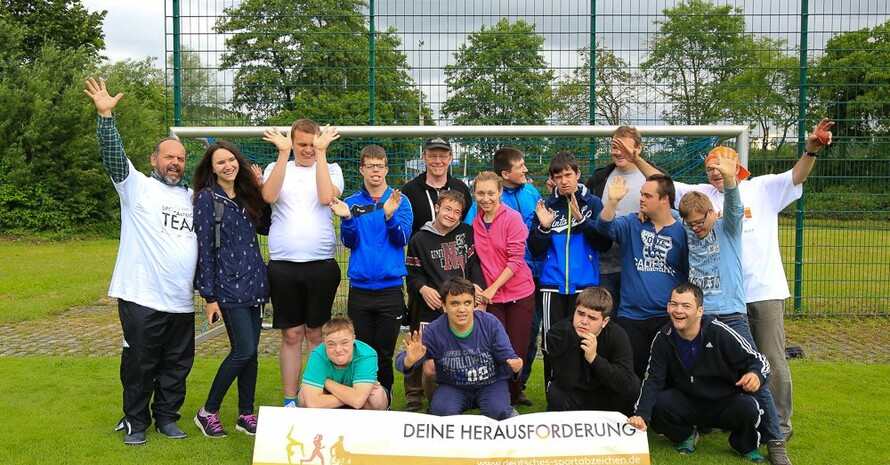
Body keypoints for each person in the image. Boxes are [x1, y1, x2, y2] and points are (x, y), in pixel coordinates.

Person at [624, 118, 835, 442]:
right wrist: (636, 157)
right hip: (717, 299)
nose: (714, 172)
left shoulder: (760, 188)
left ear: (737, 167)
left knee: (768, 358)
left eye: (720, 165)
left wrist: (811, 150)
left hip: (761, 289)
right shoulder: (701, 196)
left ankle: (778, 426)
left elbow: (797, 175)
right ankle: (717, 417)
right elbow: (663, 184)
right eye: (709, 167)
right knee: (714, 357)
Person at [85, 77, 197, 445]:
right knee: (141, 364)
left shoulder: (193, 198)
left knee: (177, 365)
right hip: (142, 297)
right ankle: (135, 421)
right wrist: (106, 117)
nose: (175, 163)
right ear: (154, 160)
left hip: (181, 301)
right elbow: (113, 155)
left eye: (180, 159)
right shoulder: (137, 187)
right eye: (169, 157)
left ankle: (167, 417)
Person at [678, 148, 792, 465]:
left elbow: (733, 202)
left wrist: (729, 176)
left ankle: (776, 440)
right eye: (692, 224)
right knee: (693, 372)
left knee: (756, 373)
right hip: (701, 318)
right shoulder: (688, 230)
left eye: (702, 221)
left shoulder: (728, 228)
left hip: (731, 314)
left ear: (714, 214)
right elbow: (666, 206)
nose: (697, 227)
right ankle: (698, 426)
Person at [627, 283, 770, 463]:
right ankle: (686, 435)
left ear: (700, 311)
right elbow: (653, 380)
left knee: (749, 407)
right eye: (674, 304)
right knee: (659, 404)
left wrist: (756, 374)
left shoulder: (719, 332)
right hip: (688, 401)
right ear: (668, 307)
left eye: (686, 306)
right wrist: (641, 414)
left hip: (724, 401)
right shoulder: (663, 337)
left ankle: (746, 446)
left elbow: (758, 360)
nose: (678, 310)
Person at [261, 121, 343, 408]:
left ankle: (314, 397)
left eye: (313, 144)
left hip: (321, 265)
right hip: (284, 266)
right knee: (292, 334)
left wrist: (322, 154)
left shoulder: (331, 168)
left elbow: (325, 197)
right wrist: (283, 154)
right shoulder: (276, 166)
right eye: (302, 145)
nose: (308, 150)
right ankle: (289, 400)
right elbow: (269, 196)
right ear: (292, 143)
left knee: (315, 334)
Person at [191, 141, 269, 438]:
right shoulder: (206, 199)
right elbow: (205, 249)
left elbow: (266, 227)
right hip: (228, 287)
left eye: (232, 160)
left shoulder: (248, 195)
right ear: (212, 169)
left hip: (256, 284)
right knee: (243, 349)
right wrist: (209, 296)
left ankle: (245, 414)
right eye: (221, 162)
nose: (228, 166)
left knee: (251, 355)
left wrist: (262, 191)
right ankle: (208, 411)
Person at [330, 144, 413, 398]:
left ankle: (384, 400)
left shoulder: (400, 201)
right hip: (361, 292)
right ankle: (361, 400)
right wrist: (346, 219)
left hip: (390, 291)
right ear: (362, 169)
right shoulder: (352, 203)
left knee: (384, 353)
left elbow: (402, 239)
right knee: (362, 352)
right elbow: (350, 242)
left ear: (386, 169)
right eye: (370, 166)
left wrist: (389, 217)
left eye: (380, 166)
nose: (375, 171)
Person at [464, 147, 543, 406]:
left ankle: (510, 399)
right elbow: (474, 258)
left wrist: (491, 290)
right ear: (475, 195)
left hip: (519, 294)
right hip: (491, 297)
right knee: (494, 348)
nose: (485, 198)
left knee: (516, 350)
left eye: (490, 193)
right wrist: (479, 288)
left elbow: (515, 260)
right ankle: (493, 398)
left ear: (500, 193)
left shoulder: (513, 219)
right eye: (480, 193)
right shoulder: (474, 222)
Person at [595, 173, 689, 379]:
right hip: (632, 316)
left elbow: (687, 274)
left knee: (670, 375)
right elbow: (604, 227)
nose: (641, 199)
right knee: (629, 374)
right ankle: (628, 411)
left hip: (667, 317)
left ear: (664, 199)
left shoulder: (683, 232)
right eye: (641, 195)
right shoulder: (632, 223)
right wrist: (612, 202)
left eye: (647, 195)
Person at [530, 151, 611, 386]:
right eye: (558, 176)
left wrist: (582, 221)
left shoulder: (592, 203)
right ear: (552, 180)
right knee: (551, 342)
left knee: (585, 341)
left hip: (584, 287)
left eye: (568, 175)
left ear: (578, 174)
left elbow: (604, 244)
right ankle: (553, 392)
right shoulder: (546, 206)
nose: (564, 181)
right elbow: (535, 250)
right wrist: (544, 228)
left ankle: (584, 392)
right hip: (552, 287)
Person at [395, 277, 523, 420]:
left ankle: (507, 411)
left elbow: (510, 358)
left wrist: (516, 366)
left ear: (474, 304)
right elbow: (400, 363)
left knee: (497, 411)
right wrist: (409, 360)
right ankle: (435, 410)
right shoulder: (434, 330)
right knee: (442, 412)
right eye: (454, 303)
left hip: (490, 383)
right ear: (444, 306)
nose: (462, 309)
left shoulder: (490, 324)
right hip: (454, 385)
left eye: (467, 303)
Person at [404, 190, 486, 411]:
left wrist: (477, 286)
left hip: (459, 303)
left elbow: (474, 265)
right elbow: (413, 274)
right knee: (421, 348)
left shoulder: (466, 233)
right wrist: (422, 289)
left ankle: (461, 393)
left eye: (457, 212)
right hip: (431, 305)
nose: (451, 215)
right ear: (437, 208)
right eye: (447, 209)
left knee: (459, 349)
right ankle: (414, 393)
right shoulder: (419, 239)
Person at [585, 126, 655, 316]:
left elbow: (668, 199)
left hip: (640, 265)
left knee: (635, 321)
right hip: (606, 265)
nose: (617, 152)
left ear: (638, 148)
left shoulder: (651, 176)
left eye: (623, 147)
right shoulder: (600, 177)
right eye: (614, 146)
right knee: (604, 320)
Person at [545, 287, 639, 415]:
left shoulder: (617, 335)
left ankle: (620, 429)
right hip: (575, 393)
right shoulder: (557, 333)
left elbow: (626, 382)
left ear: (605, 321)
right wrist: (574, 339)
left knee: (633, 384)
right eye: (580, 313)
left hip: (606, 392)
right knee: (556, 391)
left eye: (592, 318)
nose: (584, 321)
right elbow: (566, 381)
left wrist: (594, 359)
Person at [297, 317, 390, 410]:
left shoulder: (366, 354)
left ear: (353, 339)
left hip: (351, 400)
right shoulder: (318, 355)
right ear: (324, 343)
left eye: (344, 343)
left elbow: (358, 401)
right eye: (331, 344)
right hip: (350, 395)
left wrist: (326, 382)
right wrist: (354, 395)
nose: (338, 349)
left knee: (375, 395)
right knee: (303, 397)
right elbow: (313, 403)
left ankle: (367, 423)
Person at [401, 136, 473, 234]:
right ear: (424, 157)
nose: (438, 161)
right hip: (421, 248)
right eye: (432, 156)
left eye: (443, 156)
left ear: (450, 158)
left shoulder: (461, 189)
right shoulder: (409, 191)